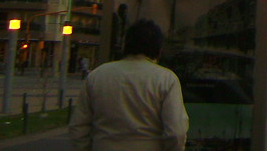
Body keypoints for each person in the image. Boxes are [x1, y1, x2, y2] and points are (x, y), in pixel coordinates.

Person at [69, 19, 188, 151]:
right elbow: (176, 132)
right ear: (159, 49)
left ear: (126, 44)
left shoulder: (97, 75)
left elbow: (78, 126)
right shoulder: (166, 79)